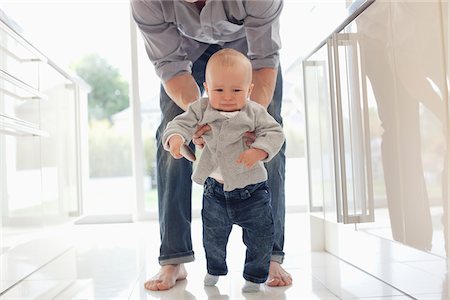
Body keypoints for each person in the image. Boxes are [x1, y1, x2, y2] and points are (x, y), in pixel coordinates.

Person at [130, 0, 292, 291]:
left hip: (249, 51)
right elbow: (171, 67)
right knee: (171, 135)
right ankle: (173, 257)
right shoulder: (147, 2)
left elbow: (264, 60)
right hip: (185, 55)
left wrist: (250, 120)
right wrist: (200, 119)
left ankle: (269, 255)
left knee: (269, 134)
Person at [163, 49, 285, 293]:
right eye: (219, 90)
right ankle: (215, 269)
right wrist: (176, 138)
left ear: (249, 90)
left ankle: (255, 274)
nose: (227, 97)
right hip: (215, 192)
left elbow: (274, 133)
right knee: (213, 237)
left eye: (237, 91)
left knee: (260, 237)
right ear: (207, 88)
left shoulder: (254, 112)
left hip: (253, 193)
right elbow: (181, 122)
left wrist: (259, 150)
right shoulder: (201, 108)